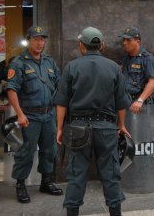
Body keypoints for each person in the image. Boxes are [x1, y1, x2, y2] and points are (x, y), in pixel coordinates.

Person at [55, 27, 131, 216]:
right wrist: (121, 125)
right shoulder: (114, 68)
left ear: (82, 45)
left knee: (76, 175)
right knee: (111, 175)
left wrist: (59, 128)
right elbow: (122, 103)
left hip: (78, 127)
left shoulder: (72, 67)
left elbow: (61, 102)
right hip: (106, 128)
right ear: (102, 45)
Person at [6, 26, 63, 204]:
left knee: (50, 150)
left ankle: (46, 182)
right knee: (27, 151)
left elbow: (60, 85)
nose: (39, 43)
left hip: (49, 115)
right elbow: (11, 90)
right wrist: (20, 114)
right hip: (30, 116)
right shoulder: (19, 62)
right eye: (36, 39)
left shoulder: (49, 62)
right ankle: (21, 185)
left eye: (42, 39)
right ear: (28, 40)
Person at [120, 27, 154, 112]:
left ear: (137, 41)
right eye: (124, 40)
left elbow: (153, 82)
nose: (124, 43)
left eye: (128, 40)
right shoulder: (126, 58)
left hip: (139, 105)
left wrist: (140, 100)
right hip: (125, 102)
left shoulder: (147, 58)